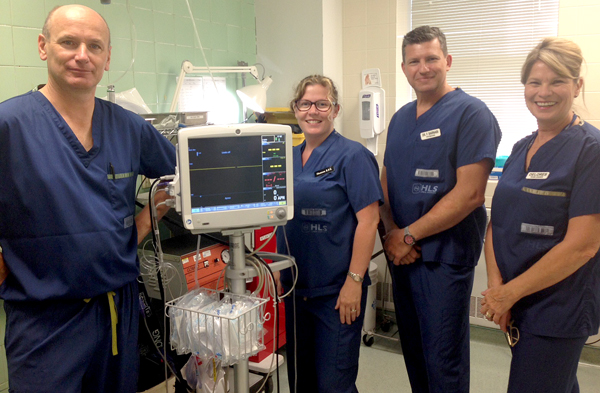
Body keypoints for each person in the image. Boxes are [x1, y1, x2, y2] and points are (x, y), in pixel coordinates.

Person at [0, 5, 176, 393]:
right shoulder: (10, 125)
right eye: (69, 42)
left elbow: (178, 177)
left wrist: (143, 226)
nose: (82, 55)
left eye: (94, 46)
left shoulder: (129, 127)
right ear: (43, 47)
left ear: (107, 57)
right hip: (45, 323)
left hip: (118, 311)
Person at [380, 26, 501, 392]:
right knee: (414, 352)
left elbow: (470, 194)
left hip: (443, 258)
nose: (424, 68)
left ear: (447, 61)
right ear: (403, 68)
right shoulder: (401, 118)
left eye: (432, 58)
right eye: (414, 61)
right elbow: (387, 180)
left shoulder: (472, 114)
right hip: (401, 255)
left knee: (442, 359)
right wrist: (391, 233)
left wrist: (409, 234)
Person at [480, 37, 600, 393]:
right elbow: (497, 223)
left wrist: (509, 293)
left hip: (558, 308)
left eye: (557, 81)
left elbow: (583, 245)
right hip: (518, 301)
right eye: (535, 82)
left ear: (577, 85)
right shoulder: (521, 147)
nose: (543, 92)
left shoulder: (590, 150)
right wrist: (498, 289)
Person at [276, 75, 383, 393]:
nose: (313, 111)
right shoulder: (287, 159)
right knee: (301, 378)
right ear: (295, 109)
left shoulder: (353, 156)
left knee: (334, 381)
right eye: (306, 104)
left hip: (336, 293)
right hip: (297, 288)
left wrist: (353, 282)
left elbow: (369, 221)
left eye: (322, 104)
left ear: (334, 109)